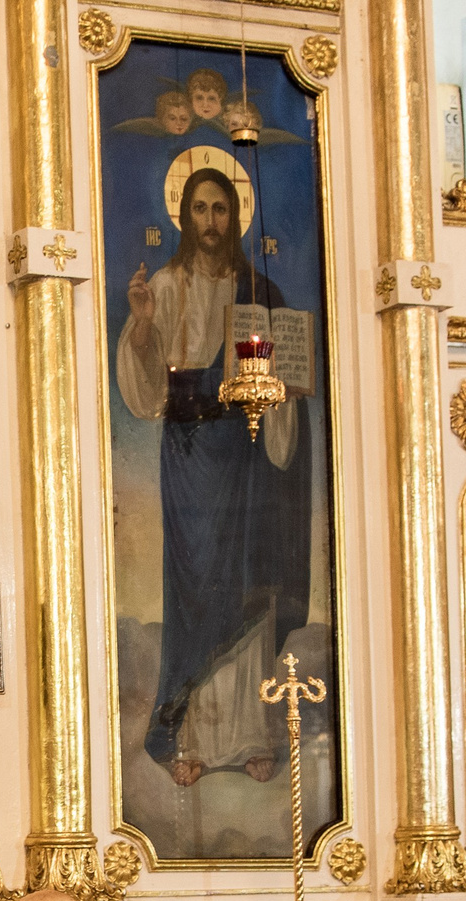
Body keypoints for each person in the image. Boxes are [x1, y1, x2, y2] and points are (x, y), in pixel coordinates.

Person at [115, 164, 310, 786]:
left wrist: (279, 390)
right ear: (183, 216)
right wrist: (143, 321)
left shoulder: (260, 290)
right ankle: (190, 734)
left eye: (220, 210)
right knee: (197, 585)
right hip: (190, 453)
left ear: (235, 219)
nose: (210, 221)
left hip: (244, 447)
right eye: (199, 209)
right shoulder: (166, 285)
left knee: (247, 578)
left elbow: (286, 377)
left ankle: (251, 733)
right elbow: (145, 393)